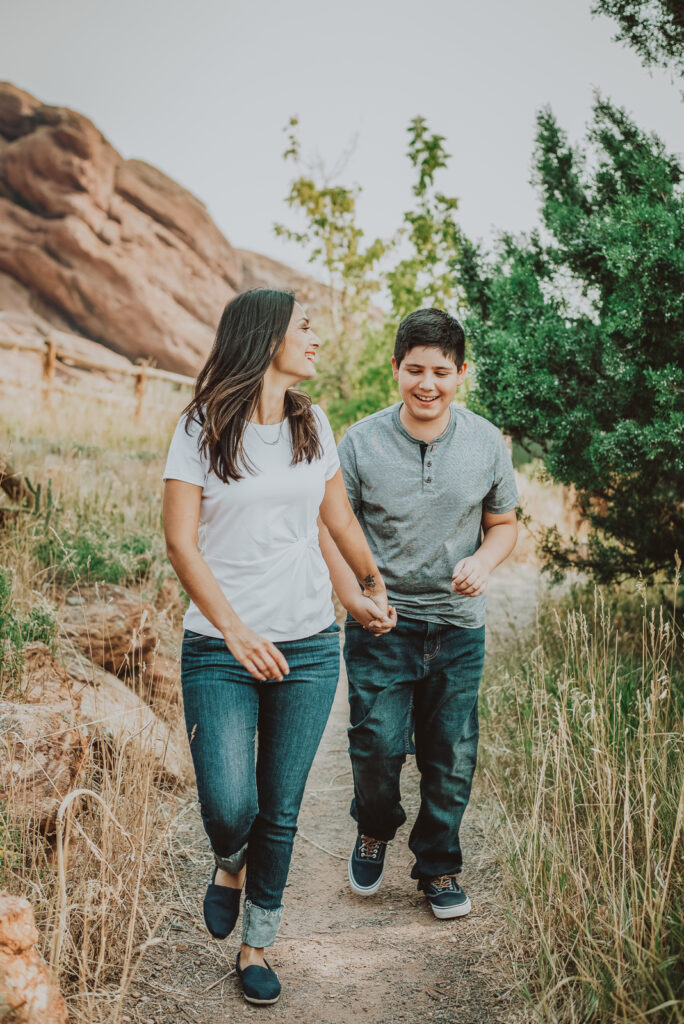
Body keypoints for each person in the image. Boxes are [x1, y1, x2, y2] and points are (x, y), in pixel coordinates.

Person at [162, 288, 394, 1006]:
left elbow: (332, 522)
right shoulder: (201, 426)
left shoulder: (312, 422)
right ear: (267, 339)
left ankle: (257, 944)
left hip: (310, 646)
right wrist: (233, 629)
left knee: (283, 807)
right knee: (233, 806)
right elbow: (179, 539)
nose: (316, 337)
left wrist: (365, 587)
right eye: (305, 327)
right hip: (218, 649)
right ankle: (229, 861)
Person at [327, 307, 518, 920]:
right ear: (396, 370)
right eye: (415, 370)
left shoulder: (487, 442)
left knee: (451, 754)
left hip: (460, 628)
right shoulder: (360, 441)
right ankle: (375, 825)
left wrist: (484, 564)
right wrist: (355, 598)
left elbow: (504, 526)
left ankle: (438, 867)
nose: (427, 383)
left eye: (441, 370)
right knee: (377, 746)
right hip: (382, 624)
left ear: (461, 373)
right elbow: (332, 528)